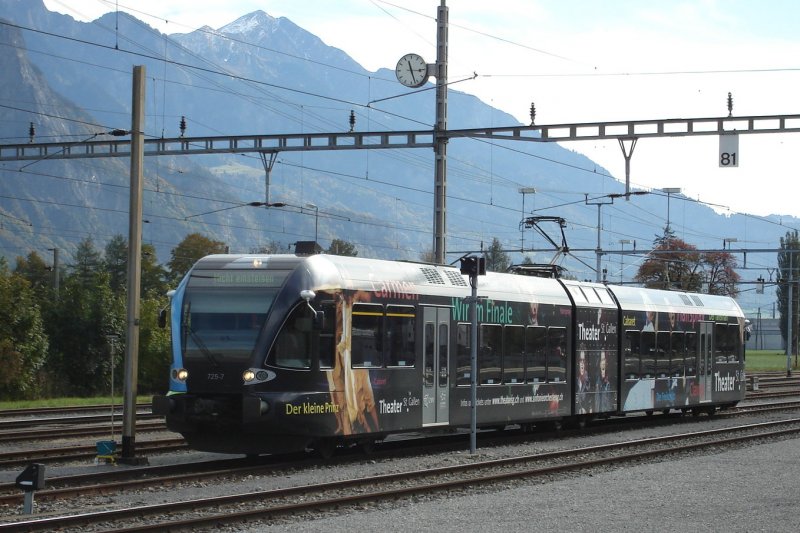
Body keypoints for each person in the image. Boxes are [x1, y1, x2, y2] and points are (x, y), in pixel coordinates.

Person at [576, 346, 591, 414]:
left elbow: (589, 394)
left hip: (585, 408)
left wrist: (588, 407)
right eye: (580, 360)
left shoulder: (588, 377)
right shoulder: (575, 375)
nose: (582, 362)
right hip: (577, 408)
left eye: (583, 360)